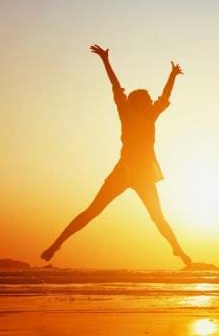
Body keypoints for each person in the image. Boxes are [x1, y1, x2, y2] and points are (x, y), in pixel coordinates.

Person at [41, 44, 192, 266]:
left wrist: (172, 77)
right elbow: (116, 86)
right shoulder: (126, 113)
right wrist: (105, 60)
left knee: (157, 217)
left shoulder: (151, 115)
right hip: (123, 171)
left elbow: (164, 97)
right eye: (147, 100)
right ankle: (56, 244)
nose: (151, 102)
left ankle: (180, 252)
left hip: (143, 176)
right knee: (92, 211)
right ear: (138, 102)